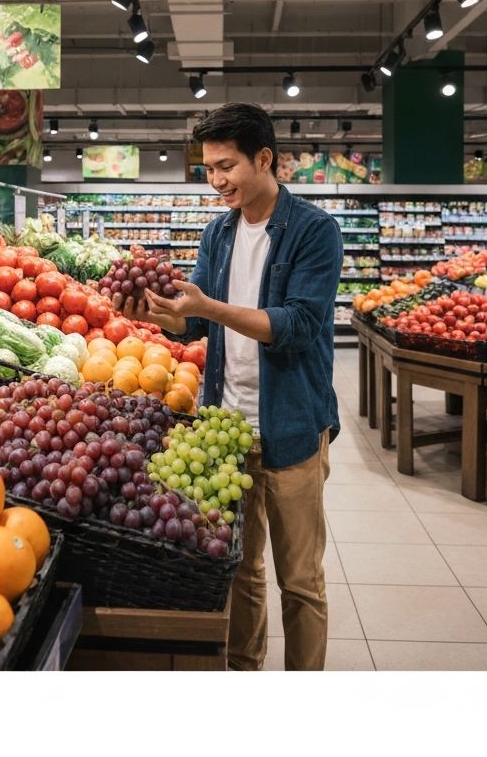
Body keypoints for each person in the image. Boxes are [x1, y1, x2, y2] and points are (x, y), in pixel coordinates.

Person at [127, 101, 343, 671]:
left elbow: (297, 326)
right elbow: (193, 322)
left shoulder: (315, 232)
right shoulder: (218, 233)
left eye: (226, 166)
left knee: (300, 579)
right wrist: (152, 312)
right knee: (242, 570)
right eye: (208, 169)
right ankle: (243, 671)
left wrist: (209, 307)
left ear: (264, 158)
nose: (217, 181)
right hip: (225, 424)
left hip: (293, 424)